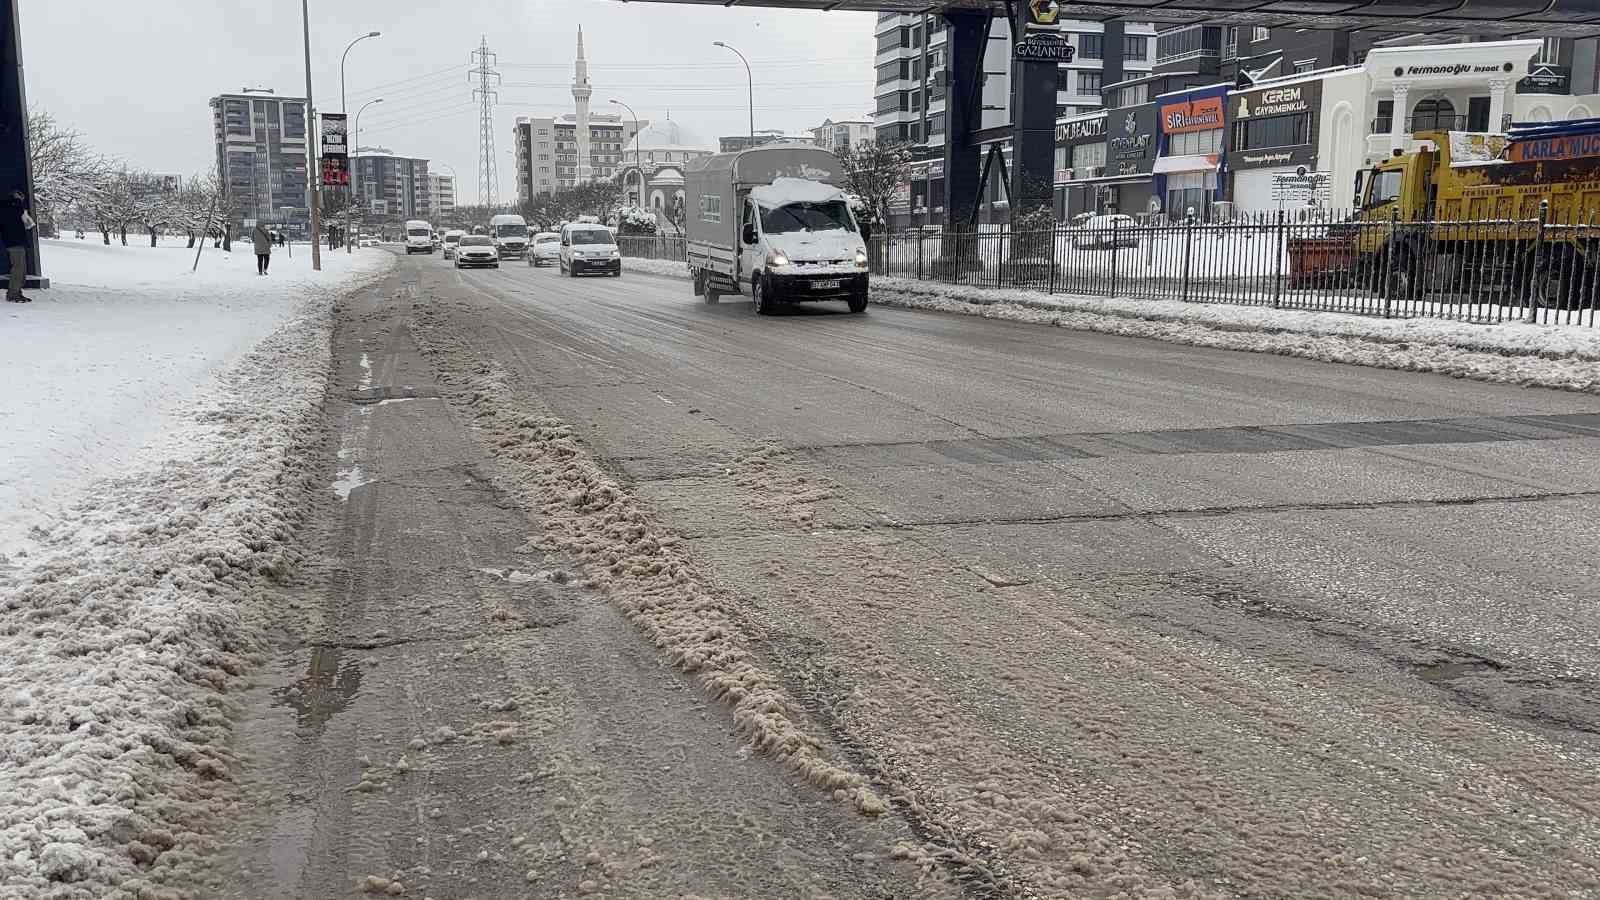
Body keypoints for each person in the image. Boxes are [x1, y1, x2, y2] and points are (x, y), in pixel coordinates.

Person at [3, 189, 36, 303]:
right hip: (14, 242)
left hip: (16, 242)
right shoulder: (11, 207)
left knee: (21, 269)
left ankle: (16, 291)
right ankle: (13, 293)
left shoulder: (14, 208)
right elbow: (20, 216)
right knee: (18, 268)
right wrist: (19, 201)